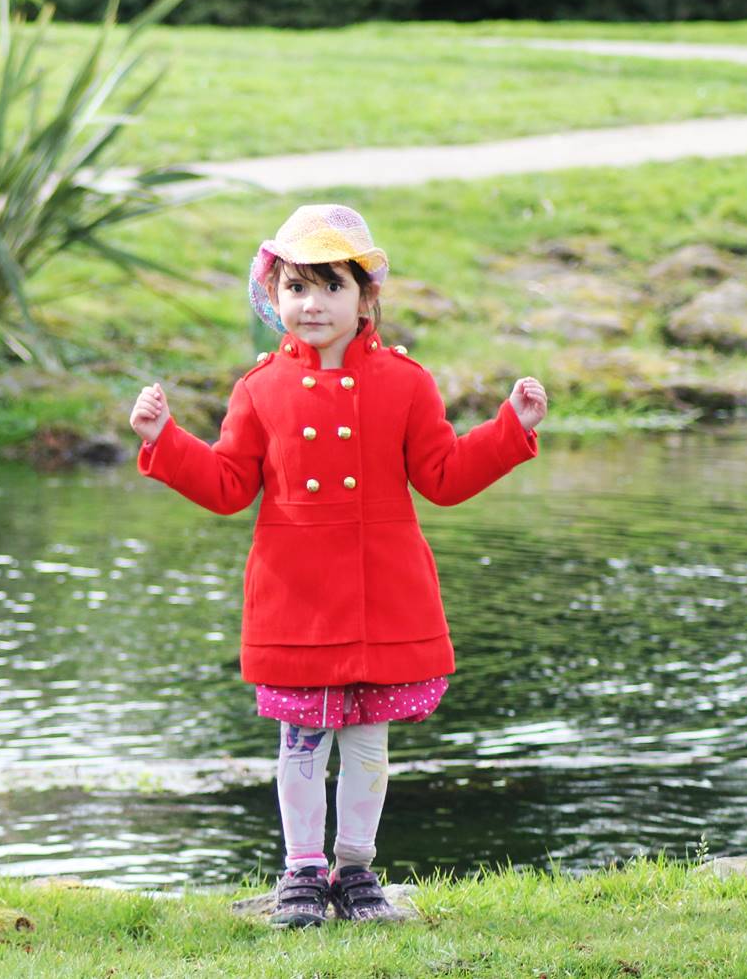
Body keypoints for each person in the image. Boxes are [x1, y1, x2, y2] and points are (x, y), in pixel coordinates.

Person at [128, 204, 546, 927]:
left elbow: (443, 475)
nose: (311, 304)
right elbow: (229, 485)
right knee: (299, 741)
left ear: (366, 297)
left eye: (330, 286)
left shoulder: (406, 382)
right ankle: (299, 871)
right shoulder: (259, 388)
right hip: (296, 602)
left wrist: (511, 428)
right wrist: (166, 439)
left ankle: (356, 870)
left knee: (367, 744)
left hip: (384, 599)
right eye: (295, 287)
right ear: (275, 298)